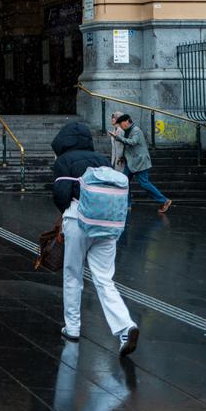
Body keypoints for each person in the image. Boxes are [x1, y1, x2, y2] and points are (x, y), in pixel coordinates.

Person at [51, 121, 140, 356]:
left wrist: (65, 214)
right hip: (106, 223)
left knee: (73, 275)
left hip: (78, 219)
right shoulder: (100, 159)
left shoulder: (64, 161)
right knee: (104, 279)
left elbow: (60, 194)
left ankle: (72, 327)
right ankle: (125, 326)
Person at [110, 114, 172, 213]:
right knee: (124, 181)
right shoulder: (127, 131)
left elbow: (132, 142)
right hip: (131, 162)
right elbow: (129, 148)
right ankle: (127, 204)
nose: (121, 126)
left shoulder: (136, 130)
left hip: (140, 162)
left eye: (121, 124)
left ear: (126, 121)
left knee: (144, 183)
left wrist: (118, 138)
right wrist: (123, 157)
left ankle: (164, 200)